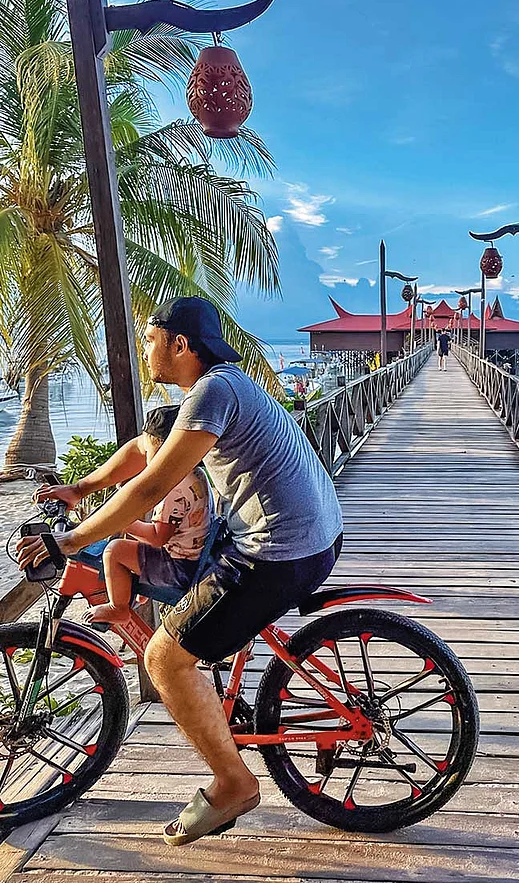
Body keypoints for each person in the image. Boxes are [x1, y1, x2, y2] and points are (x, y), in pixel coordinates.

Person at [16, 296, 343, 846]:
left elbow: (148, 486)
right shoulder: (221, 386)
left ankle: (233, 782)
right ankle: (224, 703)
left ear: (179, 344)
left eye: (150, 339)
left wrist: (69, 539)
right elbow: (144, 453)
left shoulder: (212, 392)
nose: (146, 349)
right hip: (310, 535)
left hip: (277, 549)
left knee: (164, 657)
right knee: (193, 616)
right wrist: (84, 488)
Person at [84, 404, 211, 626]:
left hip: (178, 567)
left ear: (165, 451)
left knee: (113, 551)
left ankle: (118, 608)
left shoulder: (173, 486)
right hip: (196, 553)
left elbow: (157, 537)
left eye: (148, 452)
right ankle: (139, 583)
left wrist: (124, 521)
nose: (145, 457)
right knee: (131, 540)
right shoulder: (194, 473)